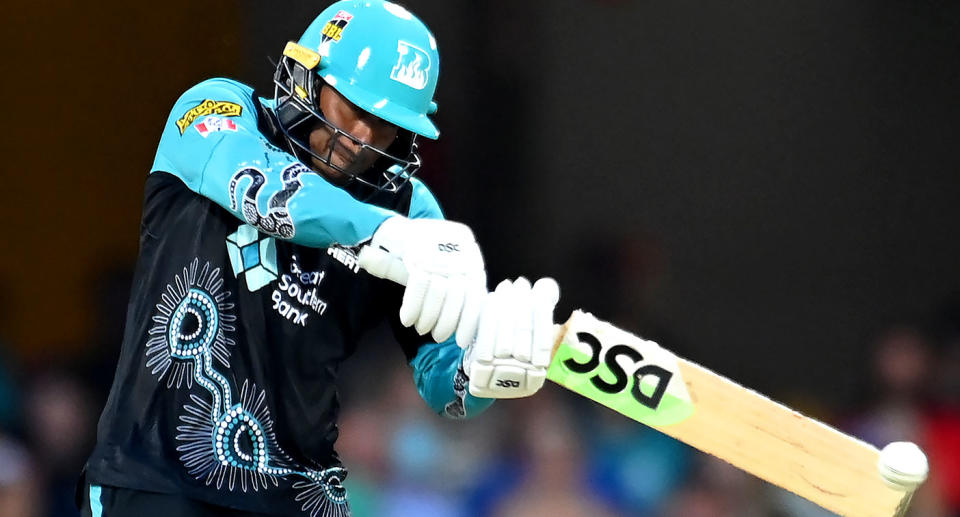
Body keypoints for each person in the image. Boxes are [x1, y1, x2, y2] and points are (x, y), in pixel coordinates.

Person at [78, 1, 560, 515]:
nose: (366, 139)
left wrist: (481, 374)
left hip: (303, 496)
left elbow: (442, 381)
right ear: (306, 76)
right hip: (155, 481)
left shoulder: (410, 210)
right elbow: (262, 191)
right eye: (354, 108)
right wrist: (384, 234)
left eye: (386, 124)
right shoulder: (217, 111)